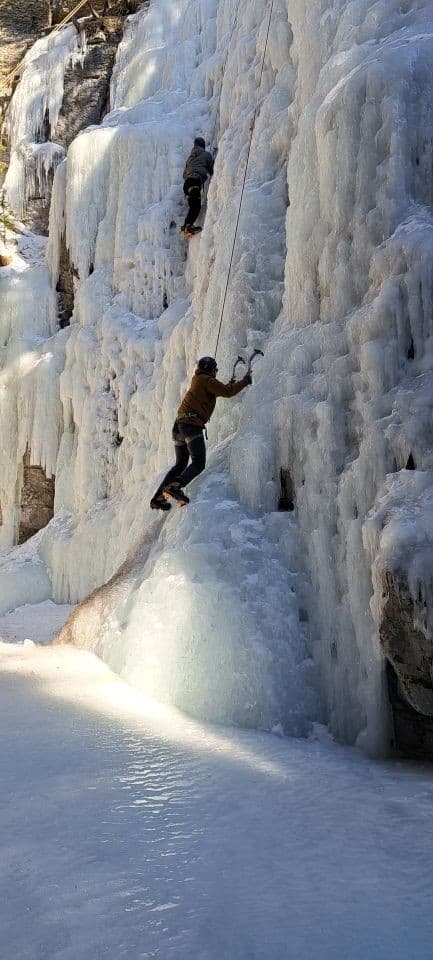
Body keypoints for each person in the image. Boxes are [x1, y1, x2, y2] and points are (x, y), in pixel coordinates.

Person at [150, 357, 252, 509]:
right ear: (210, 369)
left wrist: (229, 384)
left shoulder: (199, 379)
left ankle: (158, 499)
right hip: (191, 426)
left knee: (180, 464)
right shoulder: (206, 380)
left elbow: (219, 390)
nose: (216, 372)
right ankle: (174, 487)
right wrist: (245, 381)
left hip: (179, 426)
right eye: (215, 370)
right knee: (198, 463)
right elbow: (227, 392)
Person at [181, 137, 214, 236]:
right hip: (195, 180)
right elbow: (212, 170)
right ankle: (188, 226)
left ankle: (187, 225)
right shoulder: (206, 154)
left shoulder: (190, 157)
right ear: (203, 145)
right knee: (196, 205)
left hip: (187, 183)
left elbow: (184, 174)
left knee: (193, 204)